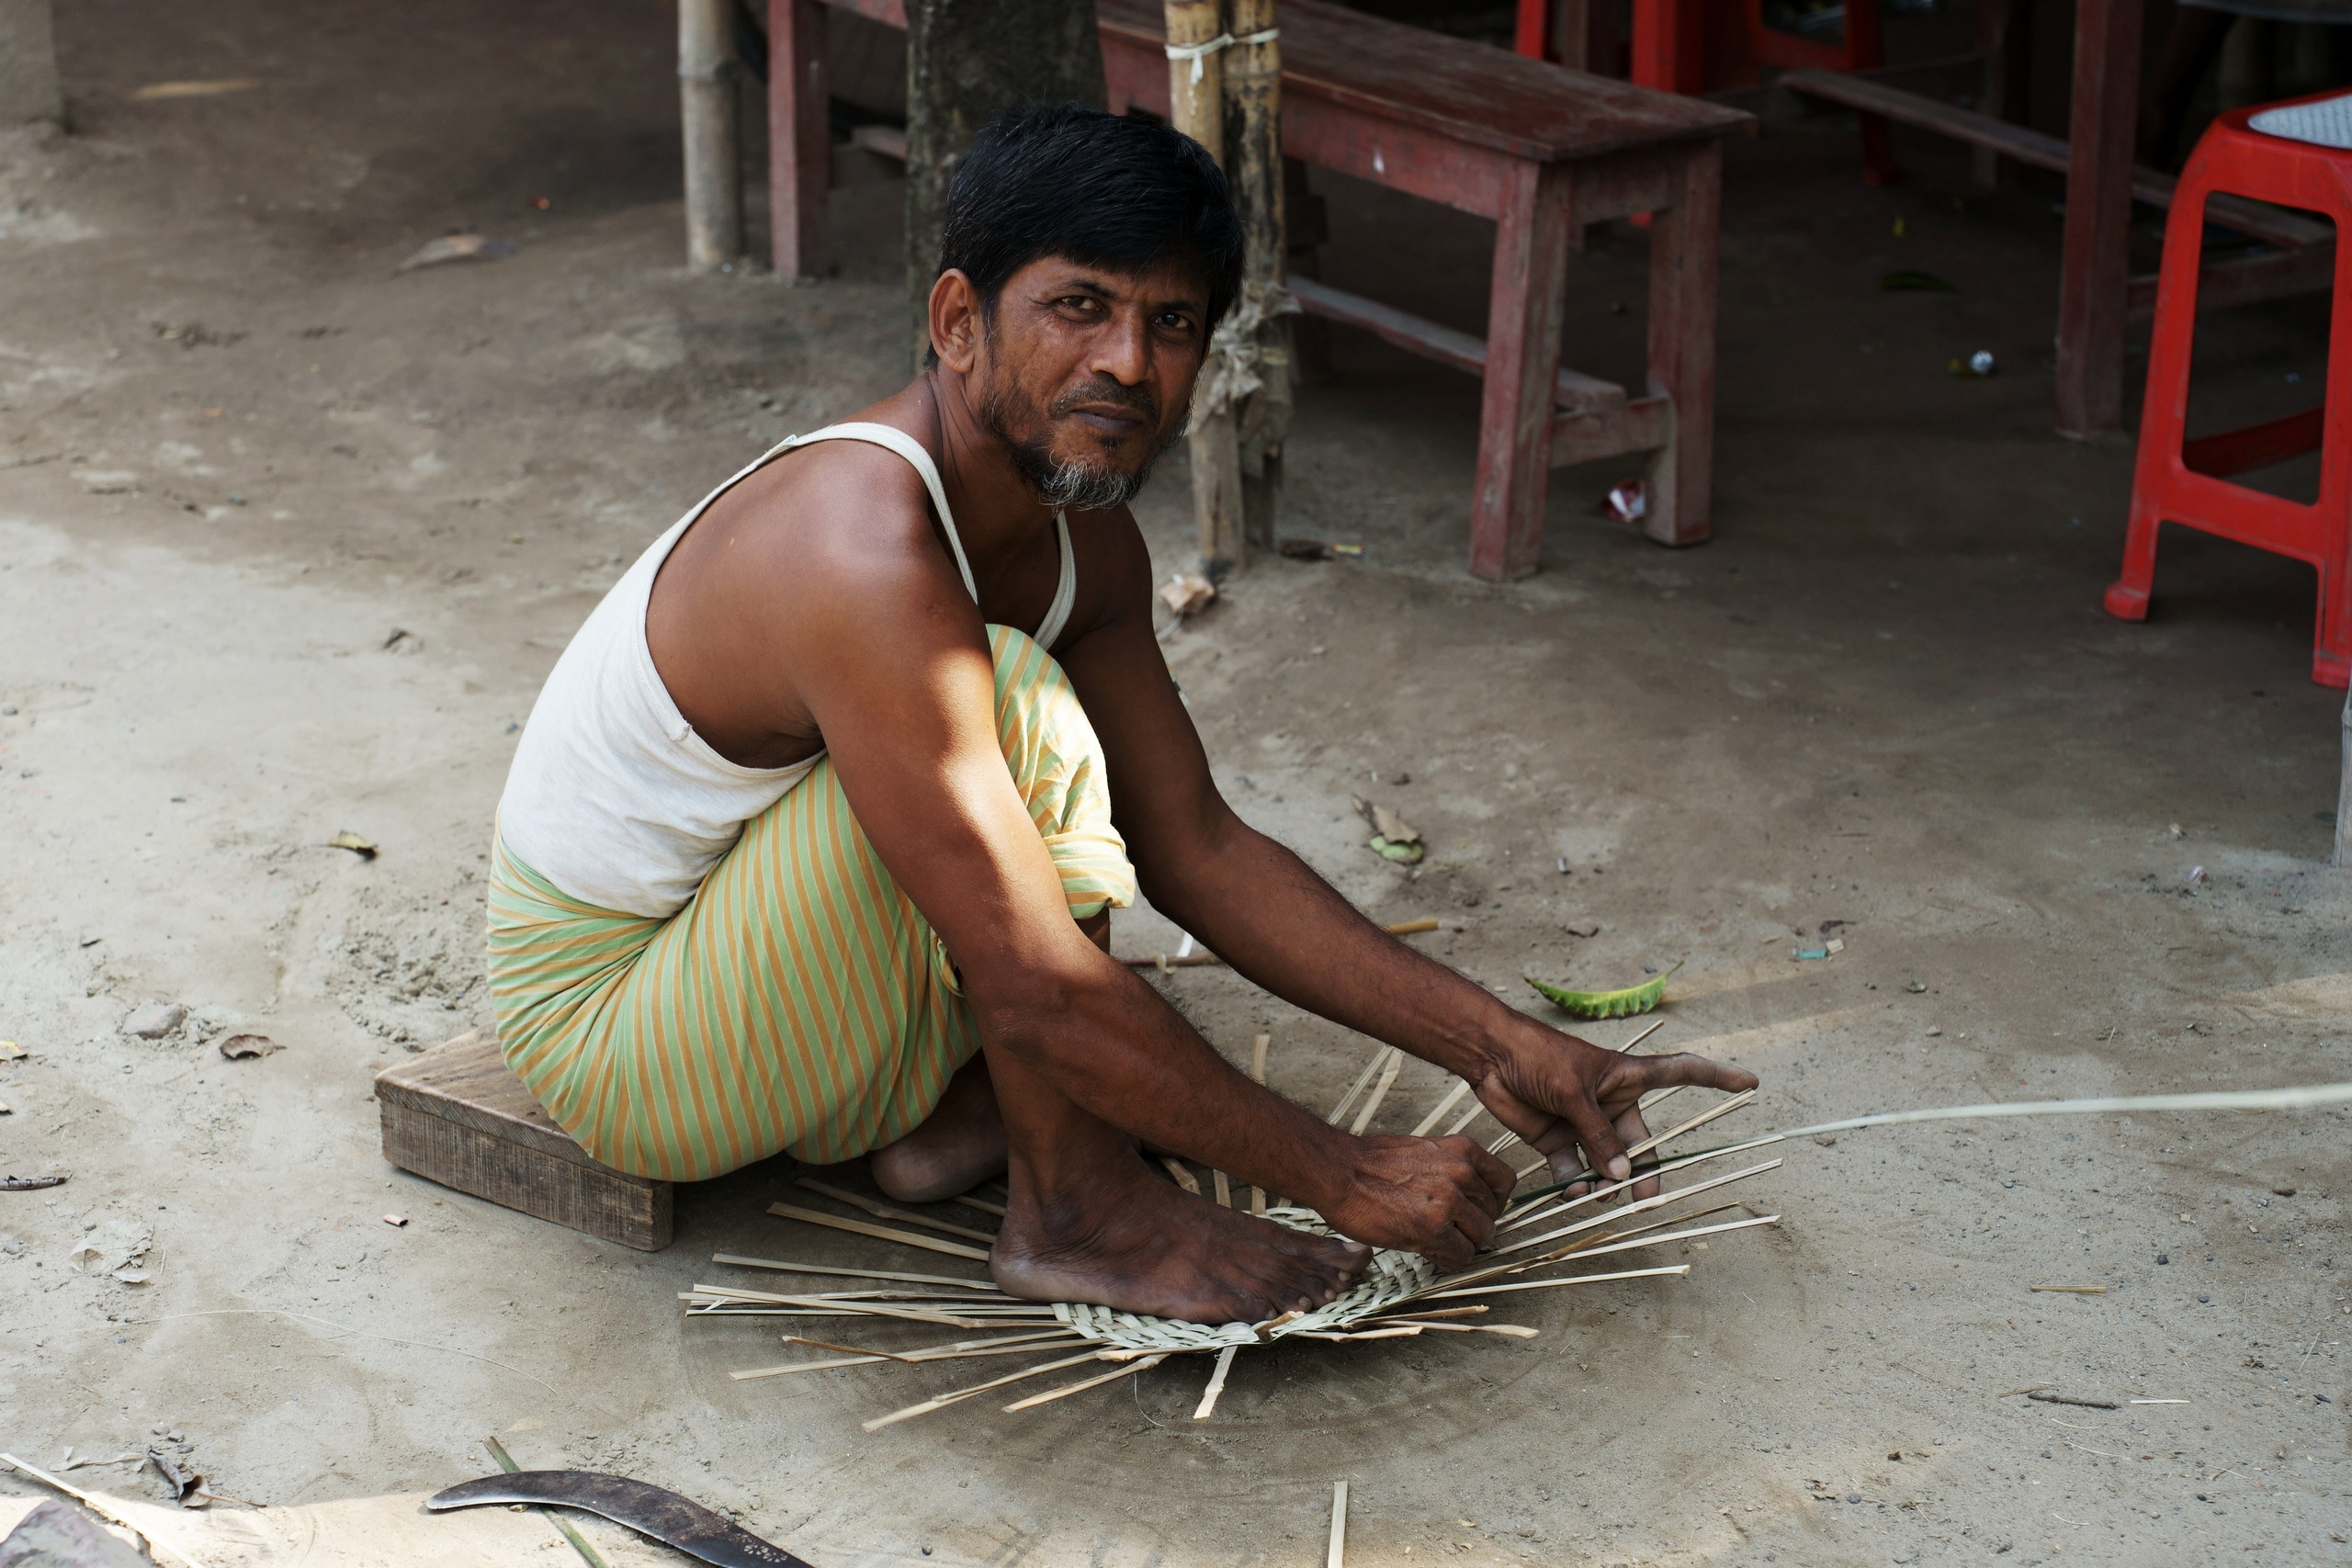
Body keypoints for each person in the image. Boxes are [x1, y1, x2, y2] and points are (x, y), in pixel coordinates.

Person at [487, 102, 1755, 1325]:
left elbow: (1195, 844)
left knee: (1018, 780)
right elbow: (1039, 986)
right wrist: (1343, 1173)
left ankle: (956, 1122)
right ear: (958, 321)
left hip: (776, 996)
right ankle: (1079, 1210)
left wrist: (1500, 1045)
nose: (1129, 363)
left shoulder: (1082, 543)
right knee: (1010, 707)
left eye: (1172, 321)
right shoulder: (857, 549)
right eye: (1078, 306)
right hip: (618, 1031)